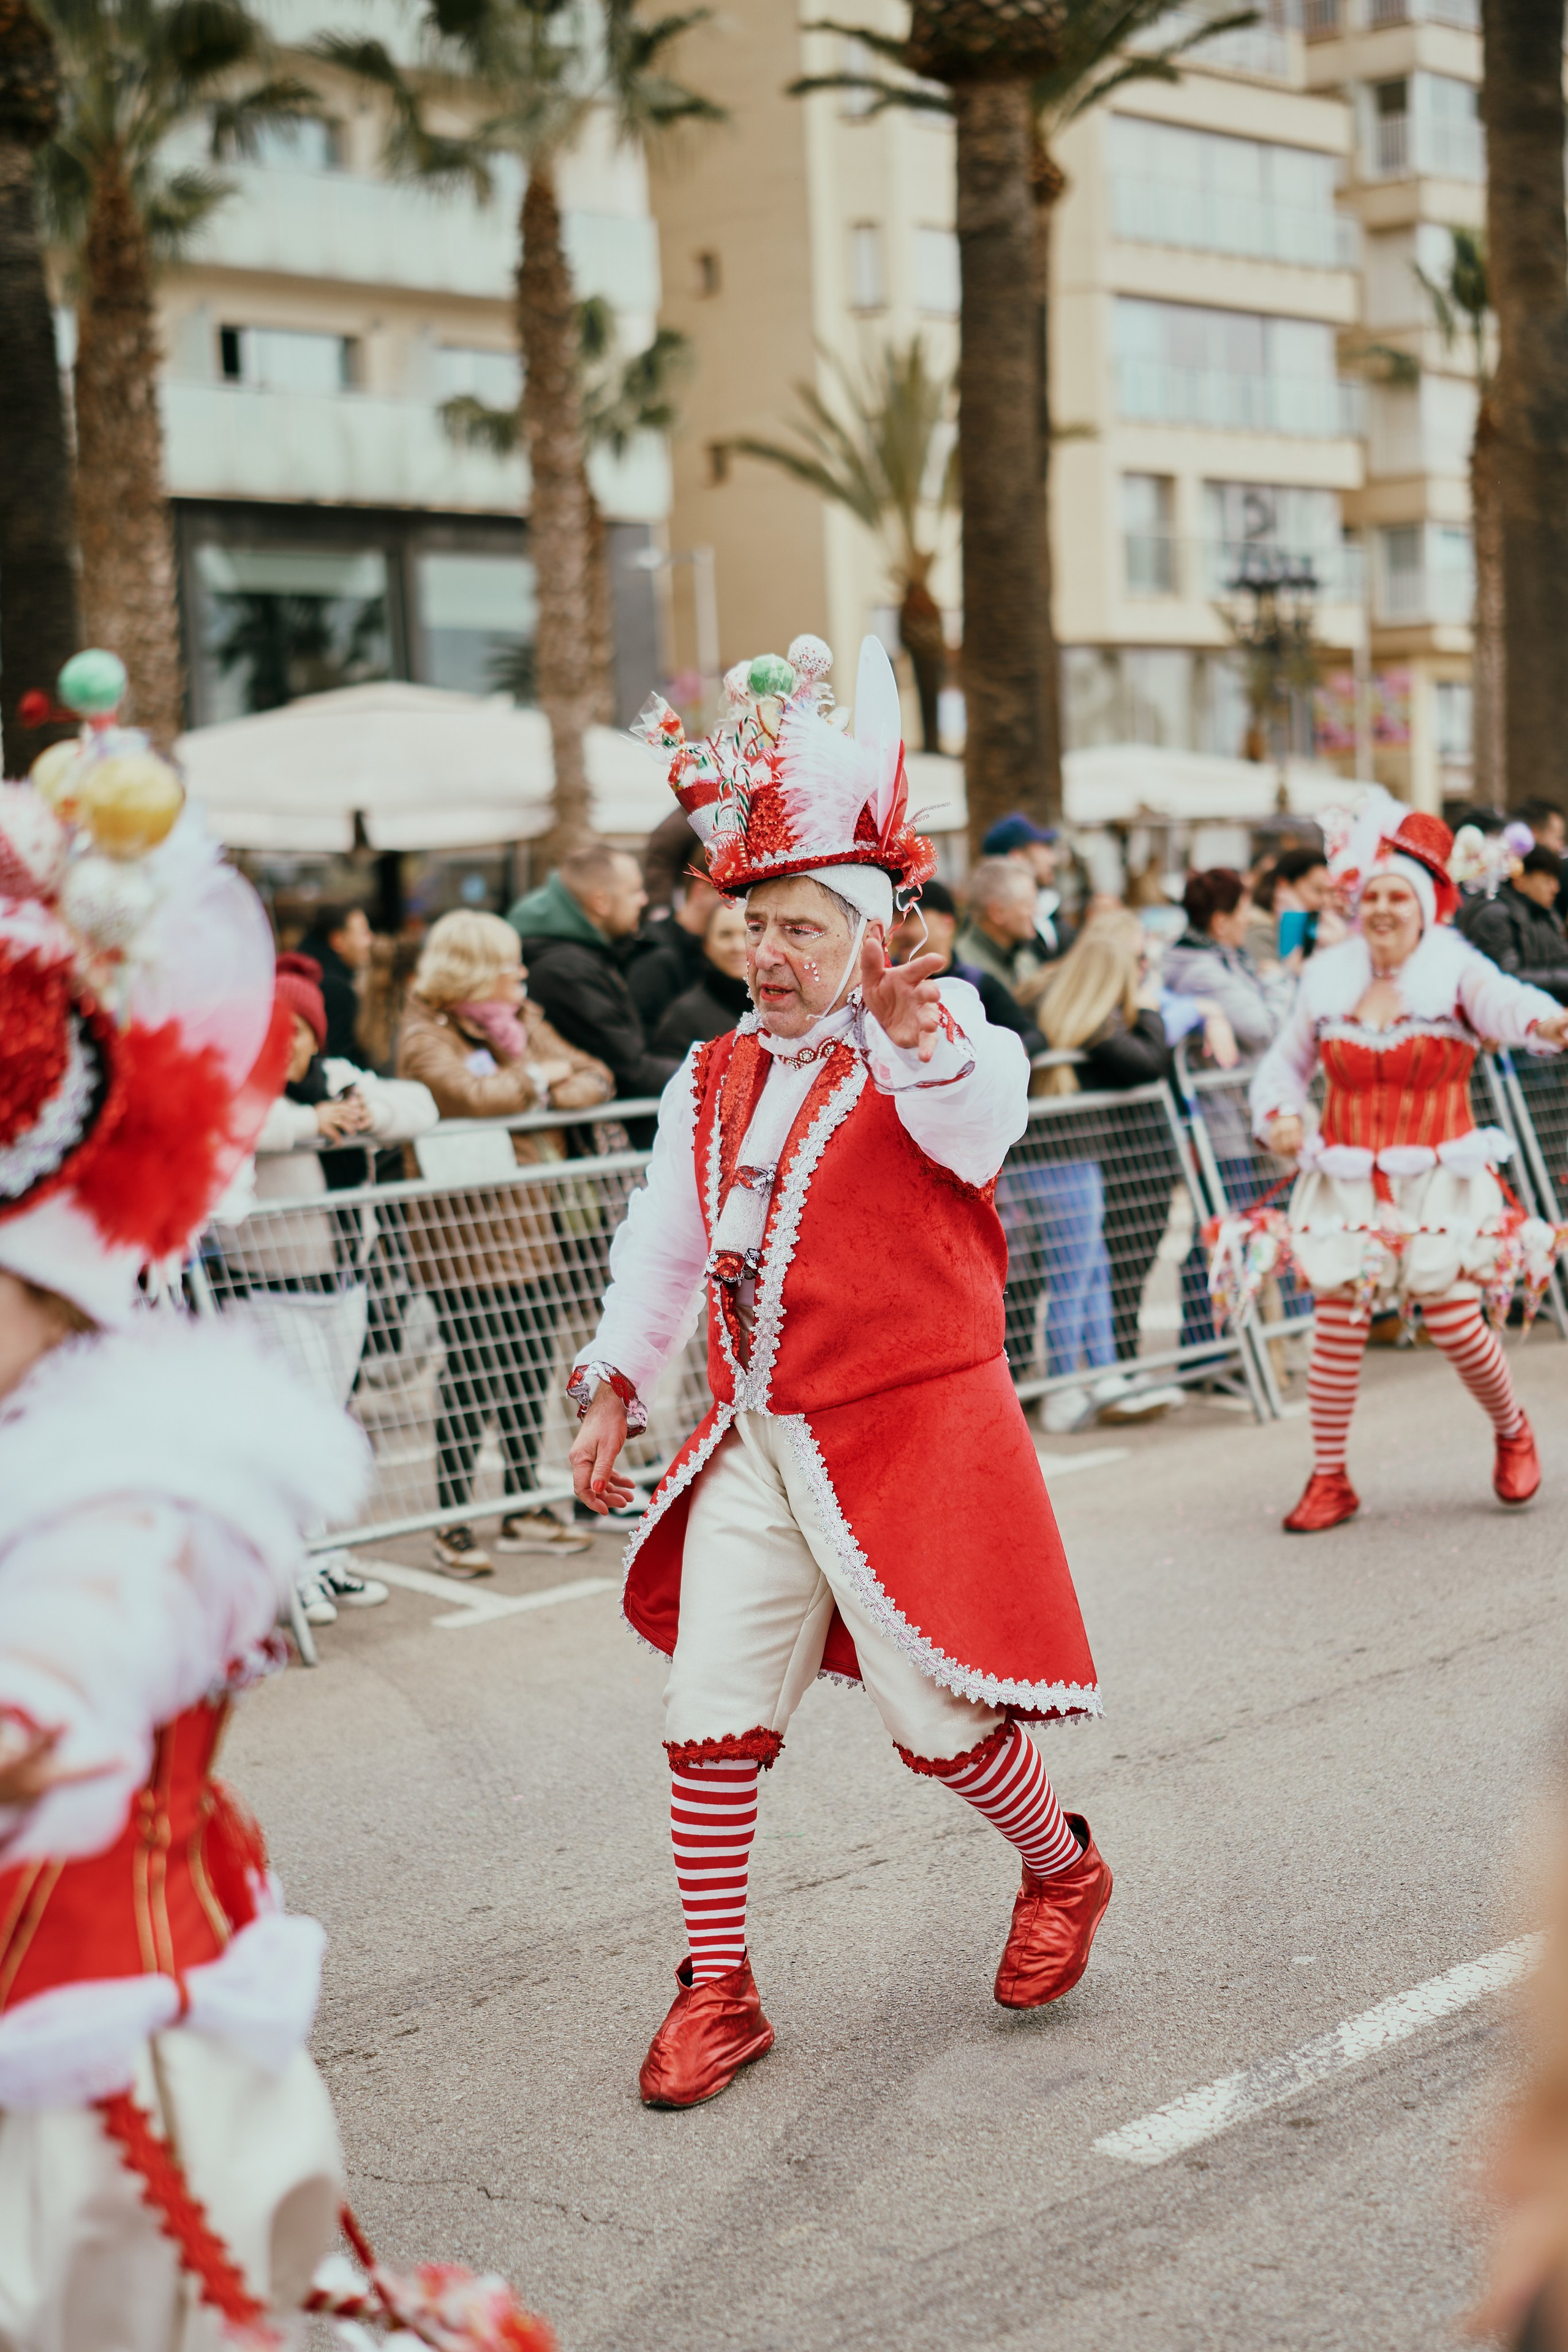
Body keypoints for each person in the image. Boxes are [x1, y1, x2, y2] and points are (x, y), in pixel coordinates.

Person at [570, 633, 1109, 2111]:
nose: (772, 952)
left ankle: (1060, 1868)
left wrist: (919, 1032)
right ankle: (718, 1988)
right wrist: (619, 1376)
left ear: (872, 933)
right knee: (706, 1719)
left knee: (939, 1727)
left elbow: (979, 1120)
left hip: (906, 1436)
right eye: (757, 924)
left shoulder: (932, 1041)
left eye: (805, 925)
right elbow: (663, 1247)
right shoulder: (710, 1071)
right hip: (758, 1437)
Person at [1238, 797, 1568, 1531]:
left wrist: (1547, 1021)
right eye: (1375, 897)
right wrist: (1281, 1117)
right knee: (1337, 1321)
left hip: (1438, 1178)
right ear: (1359, 908)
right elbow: (1281, 1069)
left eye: (1400, 897)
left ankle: (1513, 1430)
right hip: (1346, 1175)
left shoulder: (1453, 970)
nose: (1384, 909)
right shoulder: (1327, 978)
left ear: (1424, 909)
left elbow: (1506, 1003)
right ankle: (1330, 1478)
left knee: (1453, 1319)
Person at [398, 910, 616, 1574]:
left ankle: (522, 1503)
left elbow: (596, 1075)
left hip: (533, 1229)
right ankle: (451, 1520)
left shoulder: (522, 1019)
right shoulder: (424, 1033)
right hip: (465, 1238)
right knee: (469, 1378)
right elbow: (470, 1093)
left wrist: (533, 1082)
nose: (522, 975)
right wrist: (541, 1081)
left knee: (524, 1369)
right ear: (471, 968)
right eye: (509, 964)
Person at [225, 953, 436, 1625]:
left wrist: (365, 1111)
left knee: (330, 1424)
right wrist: (309, 1125)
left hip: (345, 1285)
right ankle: (293, 1568)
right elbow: (231, 1126)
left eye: (298, 1032)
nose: (285, 1046)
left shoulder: (339, 1079)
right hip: (268, 1289)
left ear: (316, 1034)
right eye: (272, 1031)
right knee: (297, 1429)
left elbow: (420, 1105)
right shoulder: (239, 1083)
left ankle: (326, 1557)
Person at [1025, 926, 1186, 1430]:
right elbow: (1149, 1063)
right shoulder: (1091, 1022)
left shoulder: (1044, 1000)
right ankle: (1065, 1389)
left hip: (1049, 1159)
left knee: (1090, 1269)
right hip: (1066, 1161)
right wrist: (1151, 1005)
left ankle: (1102, 1376)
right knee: (1075, 1278)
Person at [508, 842, 682, 1132]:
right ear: (600, 902)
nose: (643, 900)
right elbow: (629, 1068)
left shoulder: (584, 954)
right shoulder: (566, 971)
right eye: (634, 891)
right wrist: (711, 1076)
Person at [888, 878, 1044, 1055]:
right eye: (895, 921)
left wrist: (991, 1058)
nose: (898, 932)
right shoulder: (884, 981)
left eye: (908, 919)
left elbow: (1032, 1036)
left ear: (947, 924)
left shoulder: (977, 983)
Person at [1463, 844, 1568, 1003]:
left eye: (1556, 879)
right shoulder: (1496, 915)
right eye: (1547, 880)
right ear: (1521, 880)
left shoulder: (1548, 915)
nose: (1556, 888)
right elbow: (1507, 977)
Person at [630, 866, 724, 1037]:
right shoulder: (656, 953)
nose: (737, 905)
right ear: (700, 890)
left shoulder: (717, 951)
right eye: (729, 896)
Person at [652, 897, 752, 1054]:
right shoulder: (683, 1017)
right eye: (725, 935)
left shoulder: (778, 1007)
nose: (738, 947)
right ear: (707, 945)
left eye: (747, 933)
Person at [954, 858, 1050, 1005]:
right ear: (997, 912)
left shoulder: (1025, 960)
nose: (1036, 911)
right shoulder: (962, 971)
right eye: (1029, 904)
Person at [981, 812, 1073, 958]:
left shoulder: (1047, 908)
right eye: (1043, 848)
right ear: (1018, 857)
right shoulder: (1010, 931)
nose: (1053, 859)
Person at [296, 899, 373, 1064]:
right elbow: (343, 1061)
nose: (370, 941)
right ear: (338, 940)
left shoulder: (306, 974)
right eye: (364, 932)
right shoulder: (336, 989)